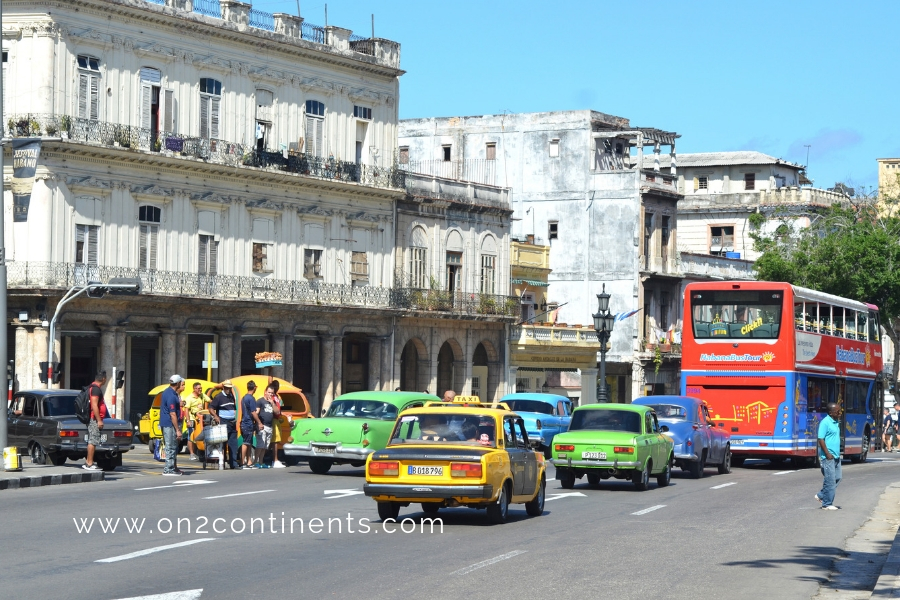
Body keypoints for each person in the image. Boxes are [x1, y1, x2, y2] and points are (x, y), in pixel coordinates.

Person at [816, 402, 842, 510]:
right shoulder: (825, 422)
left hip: (836, 456)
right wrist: (827, 453)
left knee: (838, 477)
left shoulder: (835, 422)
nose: (840, 413)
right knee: (830, 480)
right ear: (831, 413)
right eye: (837, 411)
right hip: (828, 456)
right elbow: (820, 439)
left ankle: (821, 495)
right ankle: (826, 504)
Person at [209, 380, 239, 469]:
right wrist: (216, 416)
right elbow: (211, 408)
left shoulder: (231, 396)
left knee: (233, 444)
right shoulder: (219, 397)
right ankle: (222, 462)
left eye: (229, 388)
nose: (228, 389)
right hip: (223, 422)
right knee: (222, 444)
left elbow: (234, 408)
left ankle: (233, 463)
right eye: (227, 388)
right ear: (223, 387)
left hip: (232, 422)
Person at [160, 375, 186, 476]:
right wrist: (178, 429)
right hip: (169, 424)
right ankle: (168, 469)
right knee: (170, 446)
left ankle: (172, 467)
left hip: (169, 424)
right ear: (178, 383)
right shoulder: (170, 395)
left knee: (173, 446)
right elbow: (172, 414)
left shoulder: (170, 392)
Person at [82, 371, 108, 471]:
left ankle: (89, 462)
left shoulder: (92, 387)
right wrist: (99, 420)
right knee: (93, 440)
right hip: (94, 419)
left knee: (93, 440)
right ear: (104, 379)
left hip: (93, 418)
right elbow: (94, 405)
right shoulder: (96, 389)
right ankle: (89, 463)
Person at [183, 382, 210, 461]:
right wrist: (188, 420)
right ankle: (191, 453)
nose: (200, 390)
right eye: (198, 388)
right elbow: (186, 410)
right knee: (191, 436)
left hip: (200, 418)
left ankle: (200, 451)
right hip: (192, 418)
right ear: (194, 389)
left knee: (200, 434)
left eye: (201, 388)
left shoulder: (202, 395)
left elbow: (209, 400)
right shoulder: (189, 398)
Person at [254, 386, 278, 468]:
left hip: (269, 426)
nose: (270, 394)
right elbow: (256, 413)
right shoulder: (260, 401)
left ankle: (261, 462)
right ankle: (255, 461)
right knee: (260, 444)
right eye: (269, 392)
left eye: (272, 393)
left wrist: (272, 403)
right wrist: (259, 423)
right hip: (262, 426)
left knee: (265, 446)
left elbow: (277, 412)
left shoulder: (272, 402)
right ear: (265, 392)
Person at [240, 381, 260, 469]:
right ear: (254, 388)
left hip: (245, 421)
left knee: (249, 443)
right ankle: (242, 462)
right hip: (248, 422)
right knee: (246, 442)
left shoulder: (244, 398)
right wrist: (259, 422)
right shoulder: (251, 398)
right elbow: (253, 412)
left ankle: (248, 461)